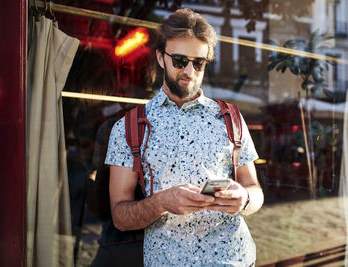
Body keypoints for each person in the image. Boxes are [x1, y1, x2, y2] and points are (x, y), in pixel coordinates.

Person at [105, 8, 264, 266]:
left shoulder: (231, 117)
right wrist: (161, 202)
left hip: (235, 259)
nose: (189, 70)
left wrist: (244, 198)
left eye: (198, 63)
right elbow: (120, 216)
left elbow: (255, 190)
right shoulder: (130, 126)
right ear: (160, 57)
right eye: (180, 61)